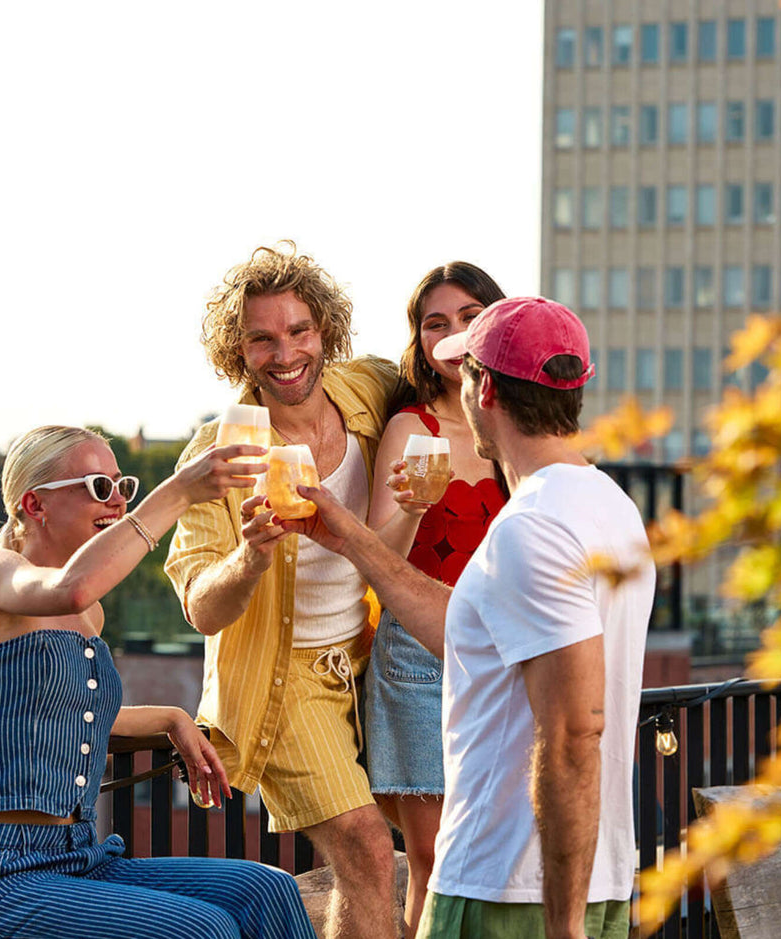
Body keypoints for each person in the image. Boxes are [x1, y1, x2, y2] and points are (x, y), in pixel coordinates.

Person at [279, 297, 656, 939]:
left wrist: (563, 927)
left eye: (468, 370)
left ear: (486, 390)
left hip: (510, 893)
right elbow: (472, 628)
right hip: (568, 883)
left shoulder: (532, 526)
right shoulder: (606, 504)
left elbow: (572, 734)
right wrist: (352, 540)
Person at [0, 425, 316, 939]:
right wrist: (177, 491)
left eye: (121, 486)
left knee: (268, 889)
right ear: (34, 504)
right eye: (98, 487)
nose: (115, 501)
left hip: (81, 857)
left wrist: (172, 718)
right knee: (202, 929)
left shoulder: (90, 615)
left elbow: (65, 712)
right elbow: (70, 586)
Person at [164, 243, 400, 939]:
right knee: (363, 844)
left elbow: (446, 387)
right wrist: (249, 554)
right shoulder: (220, 454)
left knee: (431, 837)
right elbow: (201, 607)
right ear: (239, 351)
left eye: (299, 331)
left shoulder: (369, 390)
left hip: (376, 661)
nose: (286, 352)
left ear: (325, 329)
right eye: (262, 338)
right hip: (282, 679)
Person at [363, 262, 507, 938]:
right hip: (417, 660)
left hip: (504, 660)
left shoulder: (512, 429)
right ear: (419, 339)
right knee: (432, 856)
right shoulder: (410, 428)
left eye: (467, 316)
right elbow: (373, 552)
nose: (450, 334)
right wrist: (416, 509)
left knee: (495, 852)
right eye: (434, 322)